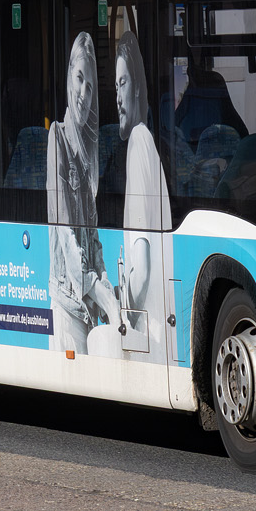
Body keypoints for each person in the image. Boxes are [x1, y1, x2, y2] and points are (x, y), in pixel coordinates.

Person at [47, 32, 112, 355]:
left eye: (90, 87)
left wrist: (103, 277)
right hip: (68, 300)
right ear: (68, 77)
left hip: (86, 304)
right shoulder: (56, 137)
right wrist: (92, 284)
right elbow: (64, 229)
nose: (83, 94)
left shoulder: (88, 160)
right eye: (79, 79)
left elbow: (92, 233)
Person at [114, 30, 170, 362]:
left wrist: (122, 315)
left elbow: (143, 269)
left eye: (122, 84)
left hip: (147, 337)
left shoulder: (137, 142)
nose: (117, 96)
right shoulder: (148, 140)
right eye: (115, 86)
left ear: (136, 87)